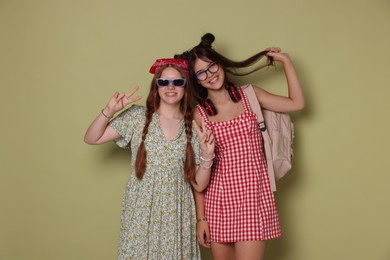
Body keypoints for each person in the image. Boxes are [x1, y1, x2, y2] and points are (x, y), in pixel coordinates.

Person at [175, 33, 305, 260]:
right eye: (201, 73)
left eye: (212, 66)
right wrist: (201, 219)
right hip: (218, 202)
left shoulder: (251, 96)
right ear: (197, 80)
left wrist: (287, 62)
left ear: (220, 64)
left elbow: (297, 102)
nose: (210, 75)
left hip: (253, 197)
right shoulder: (199, 115)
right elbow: (197, 174)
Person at [84, 58, 215, 260]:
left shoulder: (192, 126)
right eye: (164, 82)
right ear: (157, 86)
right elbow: (92, 138)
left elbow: (199, 184)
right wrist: (109, 110)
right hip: (141, 213)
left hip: (177, 213)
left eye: (177, 82)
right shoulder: (137, 117)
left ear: (185, 86)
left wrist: (207, 156)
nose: (170, 87)